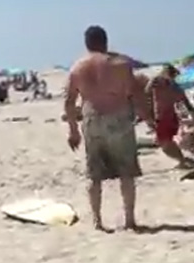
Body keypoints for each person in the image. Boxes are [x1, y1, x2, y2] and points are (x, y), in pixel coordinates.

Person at [64, 25, 151, 233]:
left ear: (86, 44)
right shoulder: (120, 64)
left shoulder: (77, 67)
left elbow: (69, 102)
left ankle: (97, 221)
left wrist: (73, 131)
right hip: (119, 117)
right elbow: (135, 95)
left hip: (91, 119)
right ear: (105, 42)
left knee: (94, 174)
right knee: (126, 171)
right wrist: (148, 119)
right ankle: (129, 220)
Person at [144, 64, 194, 168]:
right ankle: (181, 159)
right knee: (166, 142)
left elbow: (147, 90)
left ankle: (181, 161)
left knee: (164, 143)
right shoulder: (175, 87)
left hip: (164, 117)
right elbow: (186, 103)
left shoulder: (158, 82)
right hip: (172, 117)